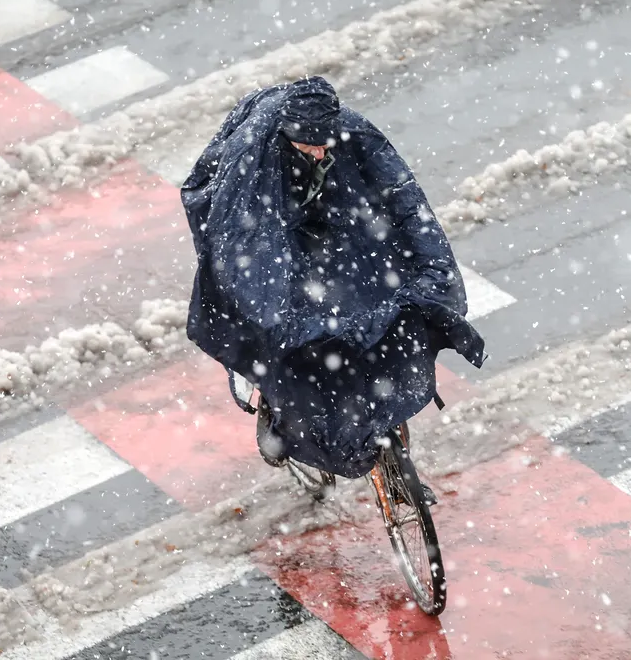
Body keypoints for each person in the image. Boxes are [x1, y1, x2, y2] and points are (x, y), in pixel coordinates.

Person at [180, 76, 486, 485]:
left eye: (327, 143)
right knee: (276, 338)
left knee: (371, 304)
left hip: (328, 216)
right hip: (264, 229)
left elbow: (405, 200)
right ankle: (275, 410)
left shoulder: (352, 132)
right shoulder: (250, 161)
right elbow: (247, 248)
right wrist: (278, 322)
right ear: (286, 138)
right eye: (310, 146)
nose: (321, 150)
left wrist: (435, 273)